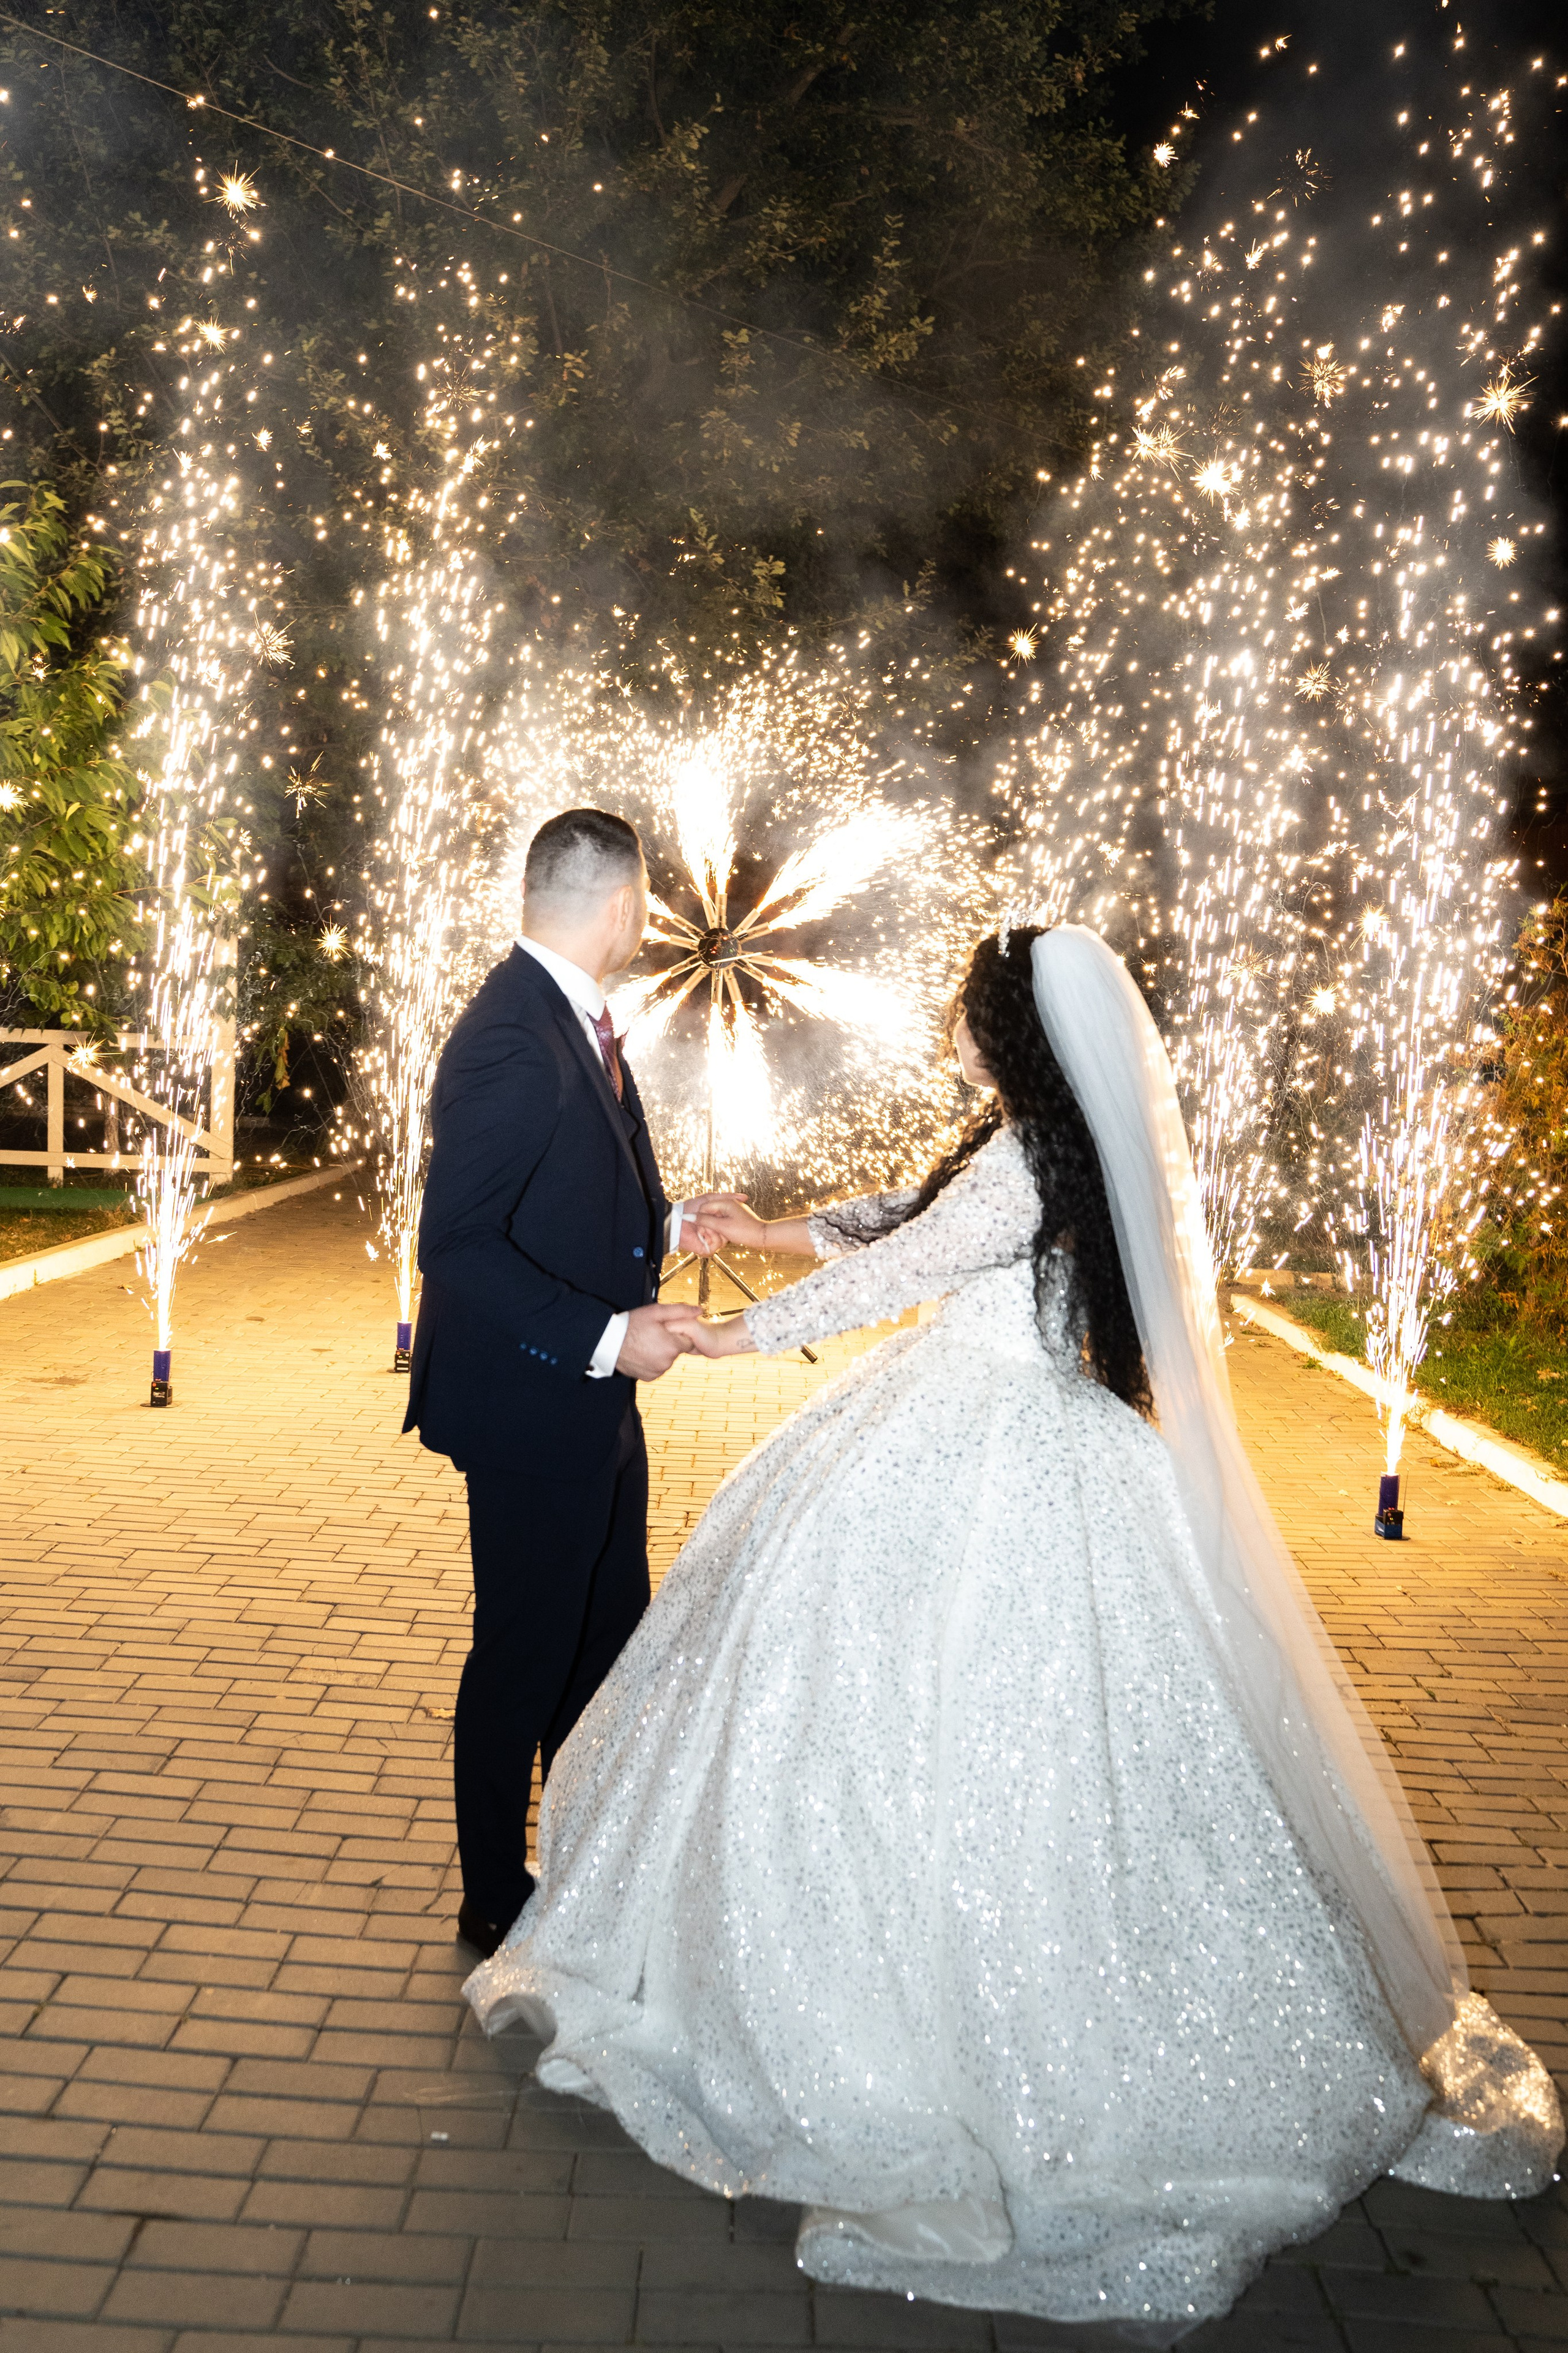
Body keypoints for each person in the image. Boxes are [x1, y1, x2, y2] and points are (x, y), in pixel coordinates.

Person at [462, 923, 1561, 2338]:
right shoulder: (1037, 1135)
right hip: (991, 1421)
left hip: (983, 1443)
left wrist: (729, 1334)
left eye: (970, 1019)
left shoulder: (1033, 1156)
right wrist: (762, 1227)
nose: (954, 1036)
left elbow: (896, 1273)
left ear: (1019, 1033)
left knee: (950, 1729)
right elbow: (902, 1219)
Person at [404, 807, 725, 1960]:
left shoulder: (571, 1016)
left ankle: (584, 1866)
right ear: (626, 907)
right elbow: (461, 1243)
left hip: (592, 1408)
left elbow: (566, 1189)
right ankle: (494, 1896)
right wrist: (604, 1335)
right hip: (537, 1405)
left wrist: (672, 1216)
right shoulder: (510, 1035)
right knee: (526, 1653)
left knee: (604, 1641)